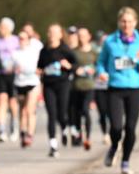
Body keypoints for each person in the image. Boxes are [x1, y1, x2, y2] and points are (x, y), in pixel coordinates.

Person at [97, 7, 139, 174]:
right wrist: (101, 72)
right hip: (115, 88)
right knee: (115, 127)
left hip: (135, 89)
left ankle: (125, 161)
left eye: (129, 21)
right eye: (123, 21)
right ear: (119, 22)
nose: (126, 24)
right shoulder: (110, 42)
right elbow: (101, 62)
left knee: (130, 128)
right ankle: (115, 145)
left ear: (135, 23)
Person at [37, 24, 76, 157]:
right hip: (48, 85)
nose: (52, 35)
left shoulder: (65, 49)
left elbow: (75, 65)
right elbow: (40, 66)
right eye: (50, 32)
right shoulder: (44, 50)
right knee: (51, 114)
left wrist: (69, 66)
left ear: (60, 34)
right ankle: (53, 145)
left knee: (62, 113)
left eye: (55, 32)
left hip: (63, 84)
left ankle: (64, 128)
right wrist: (39, 71)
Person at [0, 18, 21, 144]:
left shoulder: (16, 40)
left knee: (13, 102)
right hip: (0, 74)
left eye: (3, 27)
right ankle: (2, 130)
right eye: (0, 27)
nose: (0, 29)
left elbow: (21, 56)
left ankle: (15, 127)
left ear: (9, 28)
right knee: (2, 99)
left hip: (13, 74)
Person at [69, 27, 98, 150]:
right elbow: (68, 66)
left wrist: (95, 70)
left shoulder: (94, 52)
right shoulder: (73, 52)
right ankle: (78, 136)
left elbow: (100, 66)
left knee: (85, 110)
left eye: (83, 35)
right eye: (79, 35)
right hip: (75, 86)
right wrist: (76, 69)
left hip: (89, 86)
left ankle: (88, 138)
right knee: (76, 113)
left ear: (89, 36)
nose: (81, 38)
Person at [12, 30, 42, 148]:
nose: (21, 40)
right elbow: (8, 66)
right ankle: (23, 132)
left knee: (30, 109)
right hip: (19, 83)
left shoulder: (34, 51)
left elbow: (39, 65)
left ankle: (30, 134)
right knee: (22, 110)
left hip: (33, 82)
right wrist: (14, 68)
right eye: (19, 38)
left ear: (29, 40)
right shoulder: (15, 53)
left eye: (24, 38)